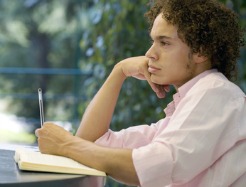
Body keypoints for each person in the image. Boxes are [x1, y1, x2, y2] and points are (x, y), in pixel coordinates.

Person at [35, 0, 246, 186]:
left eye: (164, 43)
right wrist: (119, 71)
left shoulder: (217, 93)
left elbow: (151, 167)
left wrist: (65, 144)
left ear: (202, 50)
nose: (149, 54)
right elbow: (91, 142)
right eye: (153, 41)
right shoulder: (187, 107)